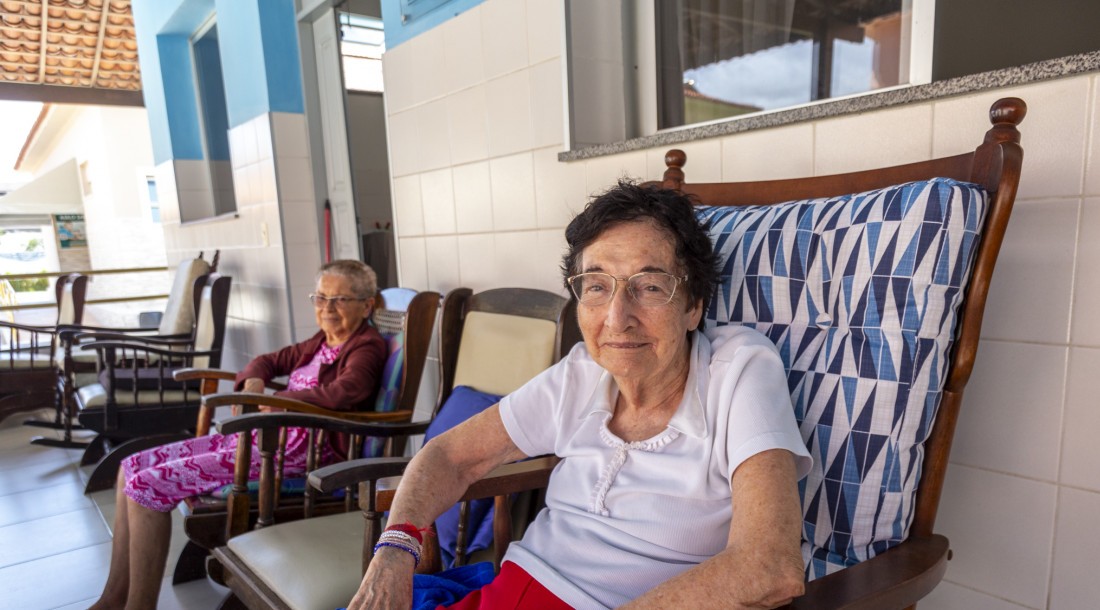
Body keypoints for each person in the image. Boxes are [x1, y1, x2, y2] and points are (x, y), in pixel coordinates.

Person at [349, 182, 812, 610]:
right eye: (597, 287)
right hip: (510, 592)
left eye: (650, 286)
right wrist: (395, 551)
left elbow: (769, 567)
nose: (617, 318)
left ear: (693, 306)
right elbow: (449, 455)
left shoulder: (738, 369)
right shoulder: (581, 373)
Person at [91, 259, 388, 610]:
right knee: (129, 466)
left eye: (340, 299)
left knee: (148, 484)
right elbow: (266, 361)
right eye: (321, 298)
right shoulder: (321, 342)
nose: (327, 308)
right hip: (264, 441)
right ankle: (112, 598)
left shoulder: (366, 346)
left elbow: (346, 391)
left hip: (298, 452)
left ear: (366, 306)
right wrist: (255, 381)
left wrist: (280, 401)